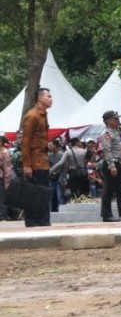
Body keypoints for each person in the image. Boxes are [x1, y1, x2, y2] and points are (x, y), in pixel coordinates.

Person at [21, 87, 54, 227]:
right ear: (40, 98)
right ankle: (34, 222)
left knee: (43, 192)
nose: (51, 99)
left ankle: (43, 221)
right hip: (35, 162)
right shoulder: (32, 115)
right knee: (35, 193)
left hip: (43, 161)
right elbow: (25, 142)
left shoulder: (43, 115)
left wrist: (47, 145)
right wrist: (26, 165)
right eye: (49, 96)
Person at [98, 111, 121, 222]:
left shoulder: (115, 132)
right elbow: (107, 151)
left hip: (119, 163)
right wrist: (111, 166)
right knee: (109, 189)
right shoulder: (106, 133)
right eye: (115, 119)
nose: (118, 120)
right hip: (111, 164)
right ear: (108, 121)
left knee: (120, 190)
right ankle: (107, 215)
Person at [47, 139, 65, 212]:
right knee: (52, 196)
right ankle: (53, 211)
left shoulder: (62, 154)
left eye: (51, 145)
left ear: (56, 146)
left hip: (59, 177)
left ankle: (60, 211)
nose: (49, 147)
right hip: (51, 178)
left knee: (59, 196)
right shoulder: (50, 155)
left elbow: (64, 167)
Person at [0, 135, 12, 220]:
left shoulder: (5, 152)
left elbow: (7, 167)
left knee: (2, 197)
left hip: (1, 177)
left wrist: (7, 181)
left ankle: (3, 215)